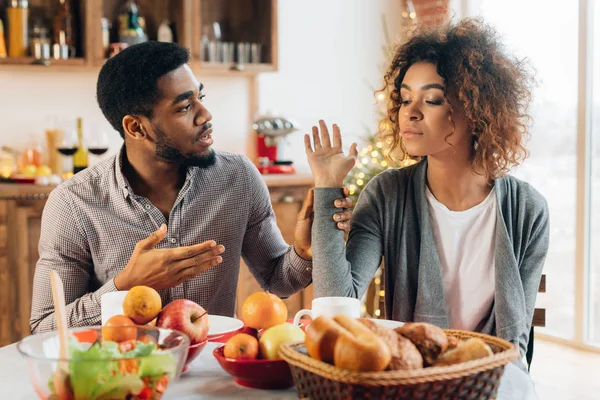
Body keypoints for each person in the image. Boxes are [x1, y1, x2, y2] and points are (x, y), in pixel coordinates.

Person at [30, 41, 352, 334]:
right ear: (136, 127)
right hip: (126, 377)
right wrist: (126, 286)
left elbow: (277, 279)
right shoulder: (73, 204)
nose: (206, 115)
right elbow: (45, 326)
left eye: (201, 97)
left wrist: (303, 252)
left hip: (216, 376)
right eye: (184, 107)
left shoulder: (238, 178)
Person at [305, 17, 549, 379]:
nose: (410, 111)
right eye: (405, 98)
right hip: (411, 379)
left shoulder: (528, 210)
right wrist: (327, 186)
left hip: (489, 380)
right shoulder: (387, 195)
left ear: (477, 110)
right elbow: (336, 310)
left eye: (432, 99)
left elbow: (517, 344)